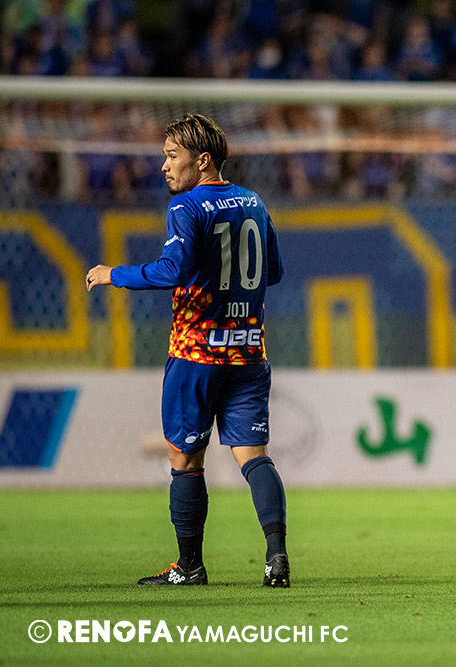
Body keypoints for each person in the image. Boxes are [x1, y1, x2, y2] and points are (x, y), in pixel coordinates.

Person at [86, 113, 290, 588]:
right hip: (248, 352)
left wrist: (114, 274)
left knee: (185, 460)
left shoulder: (185, 206)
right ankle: (276, 556)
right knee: (254, 456)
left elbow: (172, 269)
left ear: (202, 160)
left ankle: (190, 566)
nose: (164, 166)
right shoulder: (254, 201)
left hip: (196, 354)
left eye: (172, 155)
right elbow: (274, 271)